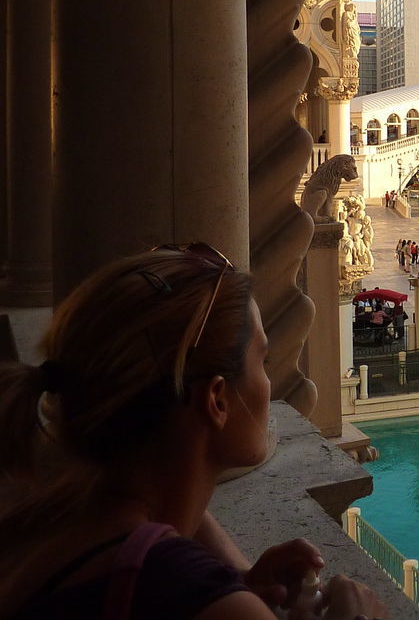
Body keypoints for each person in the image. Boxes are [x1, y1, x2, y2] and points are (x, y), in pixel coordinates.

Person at [0, 247, 384, 618]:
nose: (269, 383)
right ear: (217, 400)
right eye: (262, 361)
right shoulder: (171, 581)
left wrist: (237, 585)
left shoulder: (72, 515)